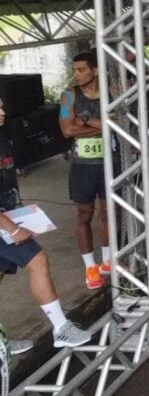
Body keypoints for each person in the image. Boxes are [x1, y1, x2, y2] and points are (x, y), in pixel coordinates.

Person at [0, 95, 92, 352]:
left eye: (2, 104)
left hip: (7, 213)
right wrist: (14, 229)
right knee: (37, 260)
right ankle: (61, 328)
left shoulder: (3, 137)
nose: (2, 110)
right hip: (4, 223)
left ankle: (1, 343)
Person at [58, 52, 114, 289]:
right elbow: (67, 131)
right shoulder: (68, 96)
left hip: (110, 163)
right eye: (75, 70)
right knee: (84, 214)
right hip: (82, 166)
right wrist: (105, 127)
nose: (77, 74)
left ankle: (108, 259)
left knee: (110, 213)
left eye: (82, 70)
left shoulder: (112, 92)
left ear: (96, 70)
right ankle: (90, 266)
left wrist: (88, 121)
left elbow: (121, 124)